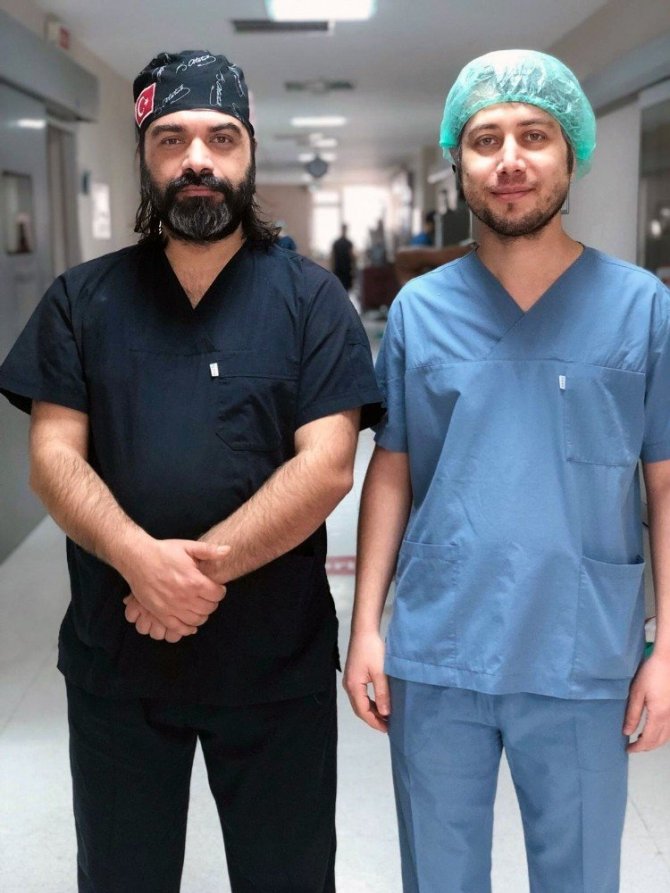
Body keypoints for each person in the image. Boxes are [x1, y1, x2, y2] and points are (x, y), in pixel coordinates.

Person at [0, 49, 381, 893]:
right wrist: (140, 562)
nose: (196, 159)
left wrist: (188, 576)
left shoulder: (311, 302)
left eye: (221, 137)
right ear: (144, 156)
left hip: (272, 663)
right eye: (170, 138)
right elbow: (53, 458)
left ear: (250, 152)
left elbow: (327, 467)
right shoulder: (81, 301)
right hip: (119, 659)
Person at [344, 48, 670, 893]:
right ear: (458, 162)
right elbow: (392, 468)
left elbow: (665, 484)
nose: (511, 159)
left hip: (581, 649)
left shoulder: (642, 307)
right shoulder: (420, 311)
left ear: (572, 153)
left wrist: (668, 646)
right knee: (439, 877)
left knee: (581, 877)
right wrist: (367, 626)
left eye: (535, 135)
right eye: (486, 139)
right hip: (439, 646)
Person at [331, 223, 355, 291]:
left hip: (343, 269)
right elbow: (333, 257)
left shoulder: (338, 243)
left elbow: (332, 257)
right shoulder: (347, 243)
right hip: (342, 269)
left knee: (340, 289)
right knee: (343, 289)